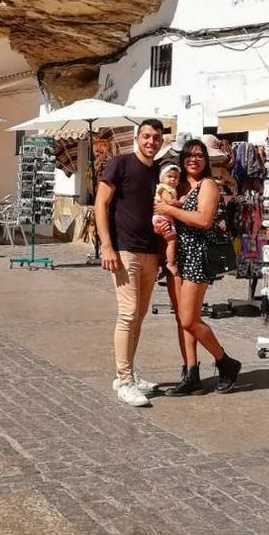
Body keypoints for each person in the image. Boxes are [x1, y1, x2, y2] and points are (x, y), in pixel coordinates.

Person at [154, 138, 241, 395]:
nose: (194, 159)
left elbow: (203, 220)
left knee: (190, 319)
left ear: (206, 160)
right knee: (181, 321)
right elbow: (164, 212)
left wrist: (169, 208)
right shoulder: (176, 184)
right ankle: (191, 373)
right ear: (182, 159)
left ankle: (226, 362)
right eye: (189, 155)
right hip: (176, 256)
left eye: (199, 155)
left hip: (197, 257)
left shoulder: (208, 185)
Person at [95, 119, 165, 407]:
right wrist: (107, 247)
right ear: (137, 138)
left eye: (156, 138)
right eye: (146, 136)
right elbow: (101, 204)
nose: (151, 142)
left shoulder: (159, 172)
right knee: (128, 313)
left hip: (151, 252)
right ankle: (124, 381)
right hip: (125, 251)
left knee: (138, 316)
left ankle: (129, 374)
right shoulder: (120, 164)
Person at [152, 162, 180, 278]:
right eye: (170, 176)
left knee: (166, 242)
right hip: (162, 218)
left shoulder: (171, 189)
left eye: (176, 177)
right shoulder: (164, 189)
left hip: (165, 217)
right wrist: (182, 201)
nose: (173, 179)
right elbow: (170, 203)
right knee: (171, 241)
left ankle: (163, 266)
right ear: (162, 178)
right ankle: (170, 263)